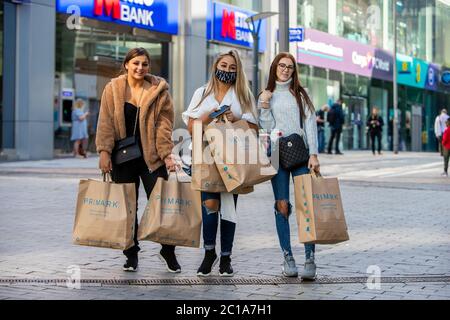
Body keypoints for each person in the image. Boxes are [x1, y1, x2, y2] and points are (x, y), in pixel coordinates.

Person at [96, 48, 180, 273]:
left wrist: (166, 154)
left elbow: (165, 124)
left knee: (162, 205)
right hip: (122, 158)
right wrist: (104, 151)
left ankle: (168, 251)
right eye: (135, 63)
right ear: (126, 64)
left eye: (144, 64)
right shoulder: (112, 89)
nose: (140, 68)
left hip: (151, 158)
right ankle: (131, 253)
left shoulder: (159, 90)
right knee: (127, 208)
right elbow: (105, 121)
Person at [182, 50, 258, 277]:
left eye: (232, 68)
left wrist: (239, 119)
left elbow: (255, 128)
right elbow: (190, 127)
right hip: (205, 155)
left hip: (232, 157)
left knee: (229, 208)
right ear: (216, 66)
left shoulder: (243, 95)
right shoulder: (202, 92)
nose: (227, 70)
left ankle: (226, 257)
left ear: (238, 71)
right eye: (223, 66)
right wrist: (208, 116)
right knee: (210, 205)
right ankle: (209, 253)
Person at [258, 52, 320, 280]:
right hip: (276, 152)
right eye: (282, 66)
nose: (285, 70)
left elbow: (310, 125)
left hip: (300, 152)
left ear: (294, 71)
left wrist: (314, 154)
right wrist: (264, 104)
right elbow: (264, 128)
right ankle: (288, 257)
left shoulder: (301, 94)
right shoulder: (266, 95)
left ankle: (310, 258)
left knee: (306, 204)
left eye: (290, 67)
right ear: (274, 67)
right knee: (281, 205)